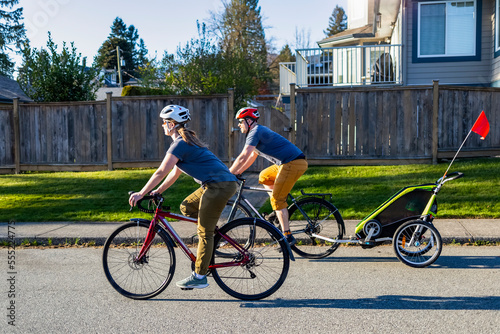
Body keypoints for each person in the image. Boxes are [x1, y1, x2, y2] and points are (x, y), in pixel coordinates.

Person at [129, 105, 238, 290]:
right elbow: (173, 173)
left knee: (204, 232)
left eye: (164, 122)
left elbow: (161, 171)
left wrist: (142, 193)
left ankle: (200, 276)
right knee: (186, 207)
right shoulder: (186, 141)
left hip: (219, 185)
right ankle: (211, 234)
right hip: (216, 184)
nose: (162, 125)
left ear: (171, 124)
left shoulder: (180, 144)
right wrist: (158, 191)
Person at [229, 107, 308, 245]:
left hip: (292, 163)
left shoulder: (255, 132)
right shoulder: (257, 131)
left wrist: (228, 174)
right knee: (264, 176)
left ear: (248, 121)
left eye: (240, 121)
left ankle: (287, 237)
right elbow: (252, 156)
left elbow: (243, 156)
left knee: (278, 199)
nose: (239, 124)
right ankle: (278, 212)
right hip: (289, 162)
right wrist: (238, 172)